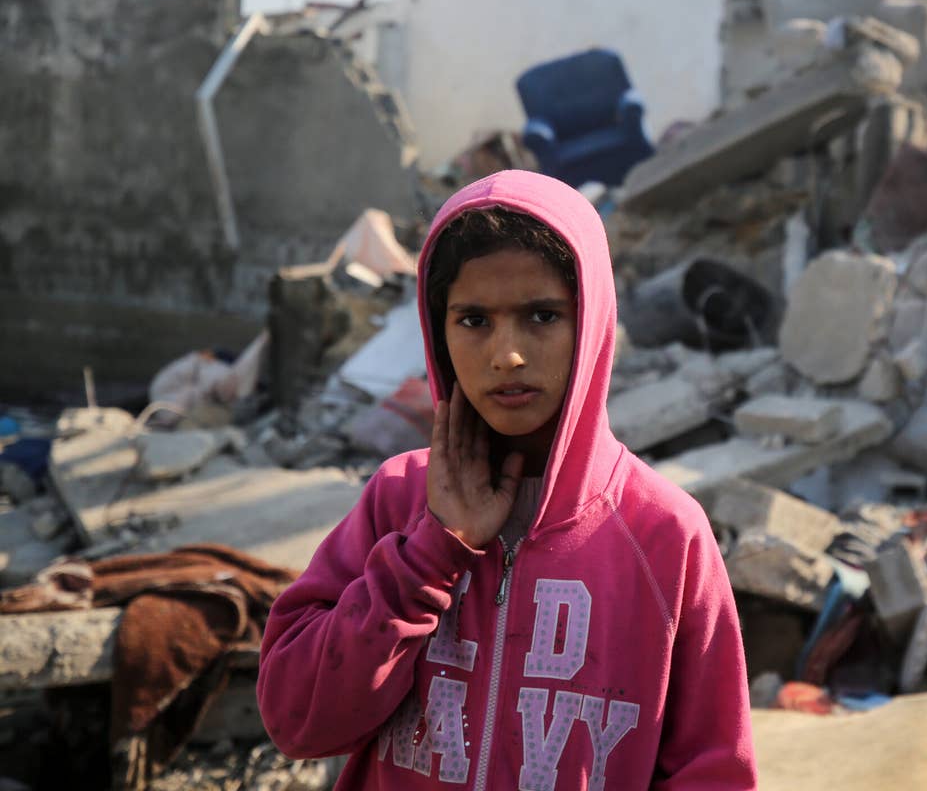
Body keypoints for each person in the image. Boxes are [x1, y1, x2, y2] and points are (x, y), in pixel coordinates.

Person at [257, 170, 757, 789]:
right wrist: (429, 554)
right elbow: (296, 721)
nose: (507, 354)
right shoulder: (398, 499)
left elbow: (713, 772)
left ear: (591, 324)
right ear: (438, 331)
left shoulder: (662, 535)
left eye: (542, 315)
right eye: (473, 320)